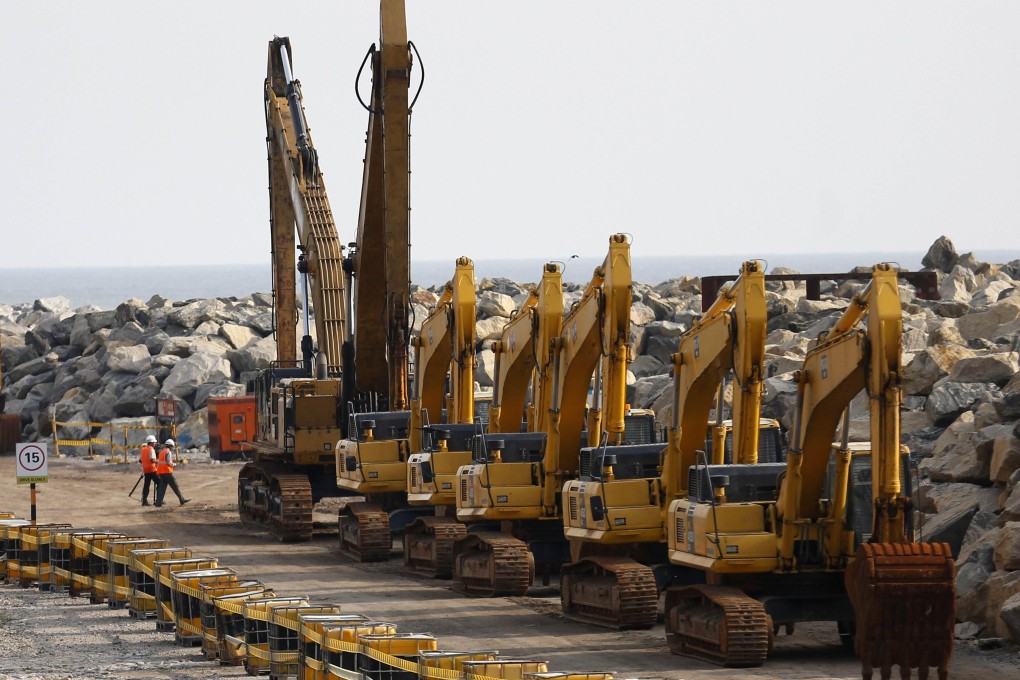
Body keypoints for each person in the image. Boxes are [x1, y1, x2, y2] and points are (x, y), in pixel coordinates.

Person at [154, 439, 191, 507]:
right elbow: (169, 462)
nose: (172, 448)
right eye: (172, 447)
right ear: (170, 446)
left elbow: (163, 461)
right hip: (167, 472)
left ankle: (158, 503)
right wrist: (175, 464)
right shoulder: (168, 452)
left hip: (161, 472)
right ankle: (182, 500)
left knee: (162, 488)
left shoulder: (162, 452)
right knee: (175, 486)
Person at [139, 435, 160, 506]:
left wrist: (146, 462)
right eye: (154, 442)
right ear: (151, 443)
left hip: (146, 470)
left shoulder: (143, 449)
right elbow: (152, 460)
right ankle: (159, 499)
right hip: (152, 469)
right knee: (160, 483)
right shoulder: (151, 449)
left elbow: (140, 460)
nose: (155, 444)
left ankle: (144, 501)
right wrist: (159, 461)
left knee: (146, 485)